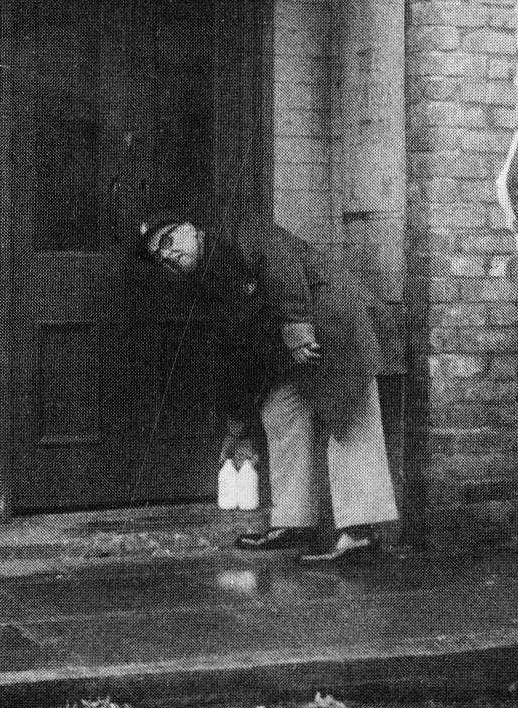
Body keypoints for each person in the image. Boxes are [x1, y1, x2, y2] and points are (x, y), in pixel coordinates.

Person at [136, 209, 398, 564]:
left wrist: (295, 322)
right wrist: (238, 426)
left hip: (334, 324)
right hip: (294, 349)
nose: (167, 254)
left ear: (191, 229)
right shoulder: (207, 282)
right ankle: (294, 520)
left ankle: (360, 534)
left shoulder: (239, 229)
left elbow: (281, 262)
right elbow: (238, 355)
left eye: (168, 241)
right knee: (279, 410)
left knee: (348, 416)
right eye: (159, 255)